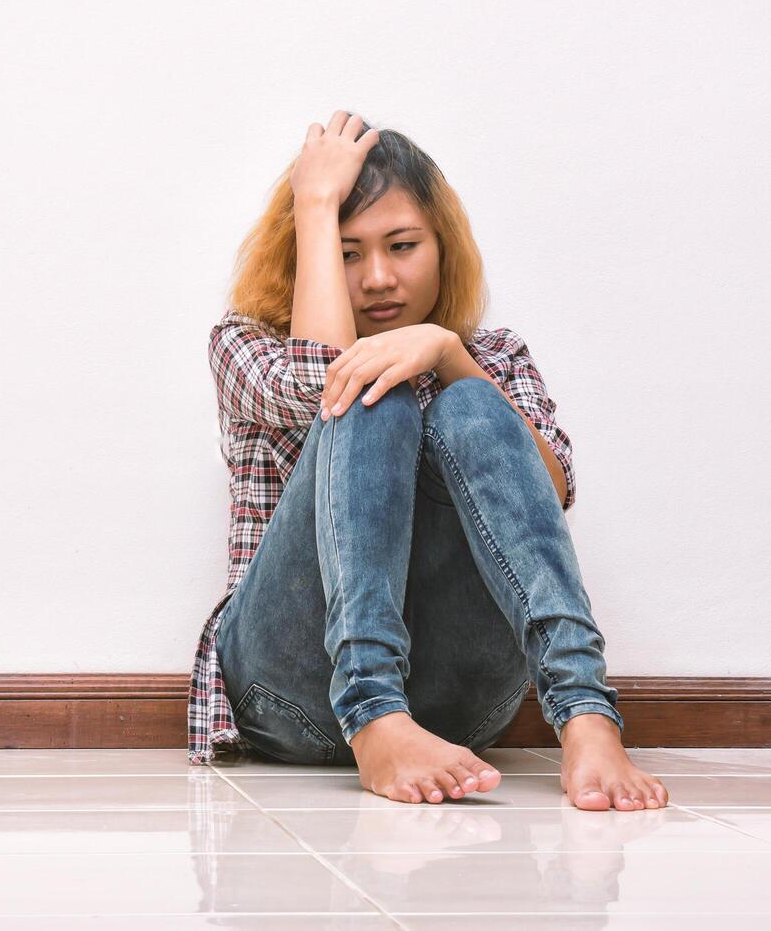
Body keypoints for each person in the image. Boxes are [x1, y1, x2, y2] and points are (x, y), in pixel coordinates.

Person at [188, 110, 669, 812]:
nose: (378, 277)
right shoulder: (245, 348)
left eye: (402, 245)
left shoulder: (494, 354)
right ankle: (375, 715)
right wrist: (314, 201)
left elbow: (553, 489)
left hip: (456, 700)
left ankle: (586, 714)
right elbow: (329, 372)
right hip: (288, 690)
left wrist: (451, 358)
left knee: (476, 405)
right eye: (346, 252)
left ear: (442, 247)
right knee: (366, 385)